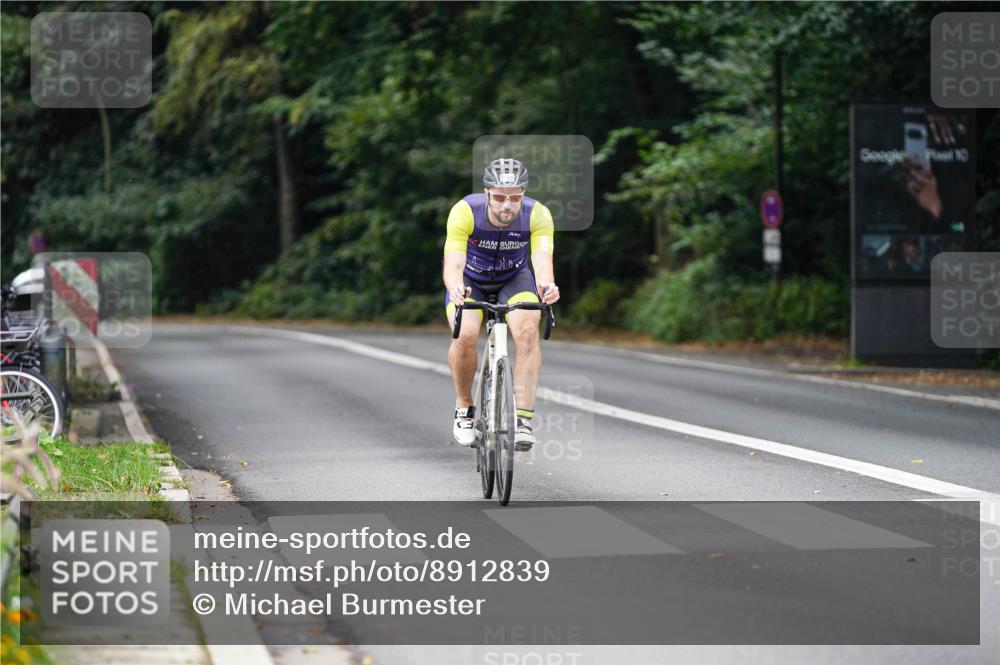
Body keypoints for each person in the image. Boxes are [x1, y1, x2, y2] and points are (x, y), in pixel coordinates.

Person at [442, 158, 559, 450]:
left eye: (515, 197)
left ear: (523, 194)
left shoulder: (538, 214)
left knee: (529, 329)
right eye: (499, 197)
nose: (507, 205)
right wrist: (455, 286)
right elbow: (453, 262)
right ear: (487, 193)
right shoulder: (466, 211)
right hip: (471, 279)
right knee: (465, 334)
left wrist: (547, 286)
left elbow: (542, 261)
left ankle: (523, 421)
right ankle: (464, 407)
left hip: (513, 278)